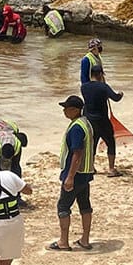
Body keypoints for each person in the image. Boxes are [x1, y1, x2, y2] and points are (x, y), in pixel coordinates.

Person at [50, 95, 94, 252]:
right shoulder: (85, 123)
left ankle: (63, 241)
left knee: (63, 206)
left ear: (75, 110)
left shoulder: (76, 128)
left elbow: (77, 153)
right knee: (85, 206)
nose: (64, 111)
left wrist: (69, 177)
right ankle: (85, 239)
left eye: (66, 108)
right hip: (86, 174)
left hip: (75, 174)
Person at [80, 64, 124, 177]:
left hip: (88, 120)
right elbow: (115, 98)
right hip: (102, 120)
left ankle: (91, 167)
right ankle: (111, 169)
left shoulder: (84, 87)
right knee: (110, 142)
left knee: (92, 144)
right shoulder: (104, 87)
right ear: (100, 74)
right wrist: (120, 94)